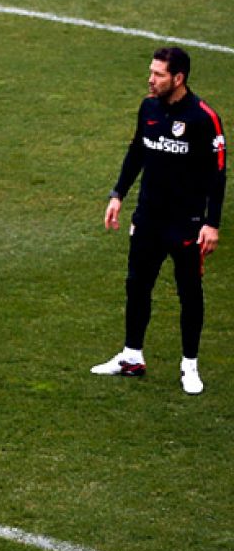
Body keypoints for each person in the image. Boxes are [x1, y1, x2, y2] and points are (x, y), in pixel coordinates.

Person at [92, 46, 225, 395]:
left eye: (159, 75)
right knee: (137, 285)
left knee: (189, 293)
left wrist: (212, 223)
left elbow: (218, 174)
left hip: (187, 223)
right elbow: (138, 150)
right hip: (148, 217)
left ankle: (189, 366)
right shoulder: (148, 108)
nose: (150, 80)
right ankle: (131, 356)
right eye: (151, 72)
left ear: (178, 78)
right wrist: (118, 195)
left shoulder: (202, 118)